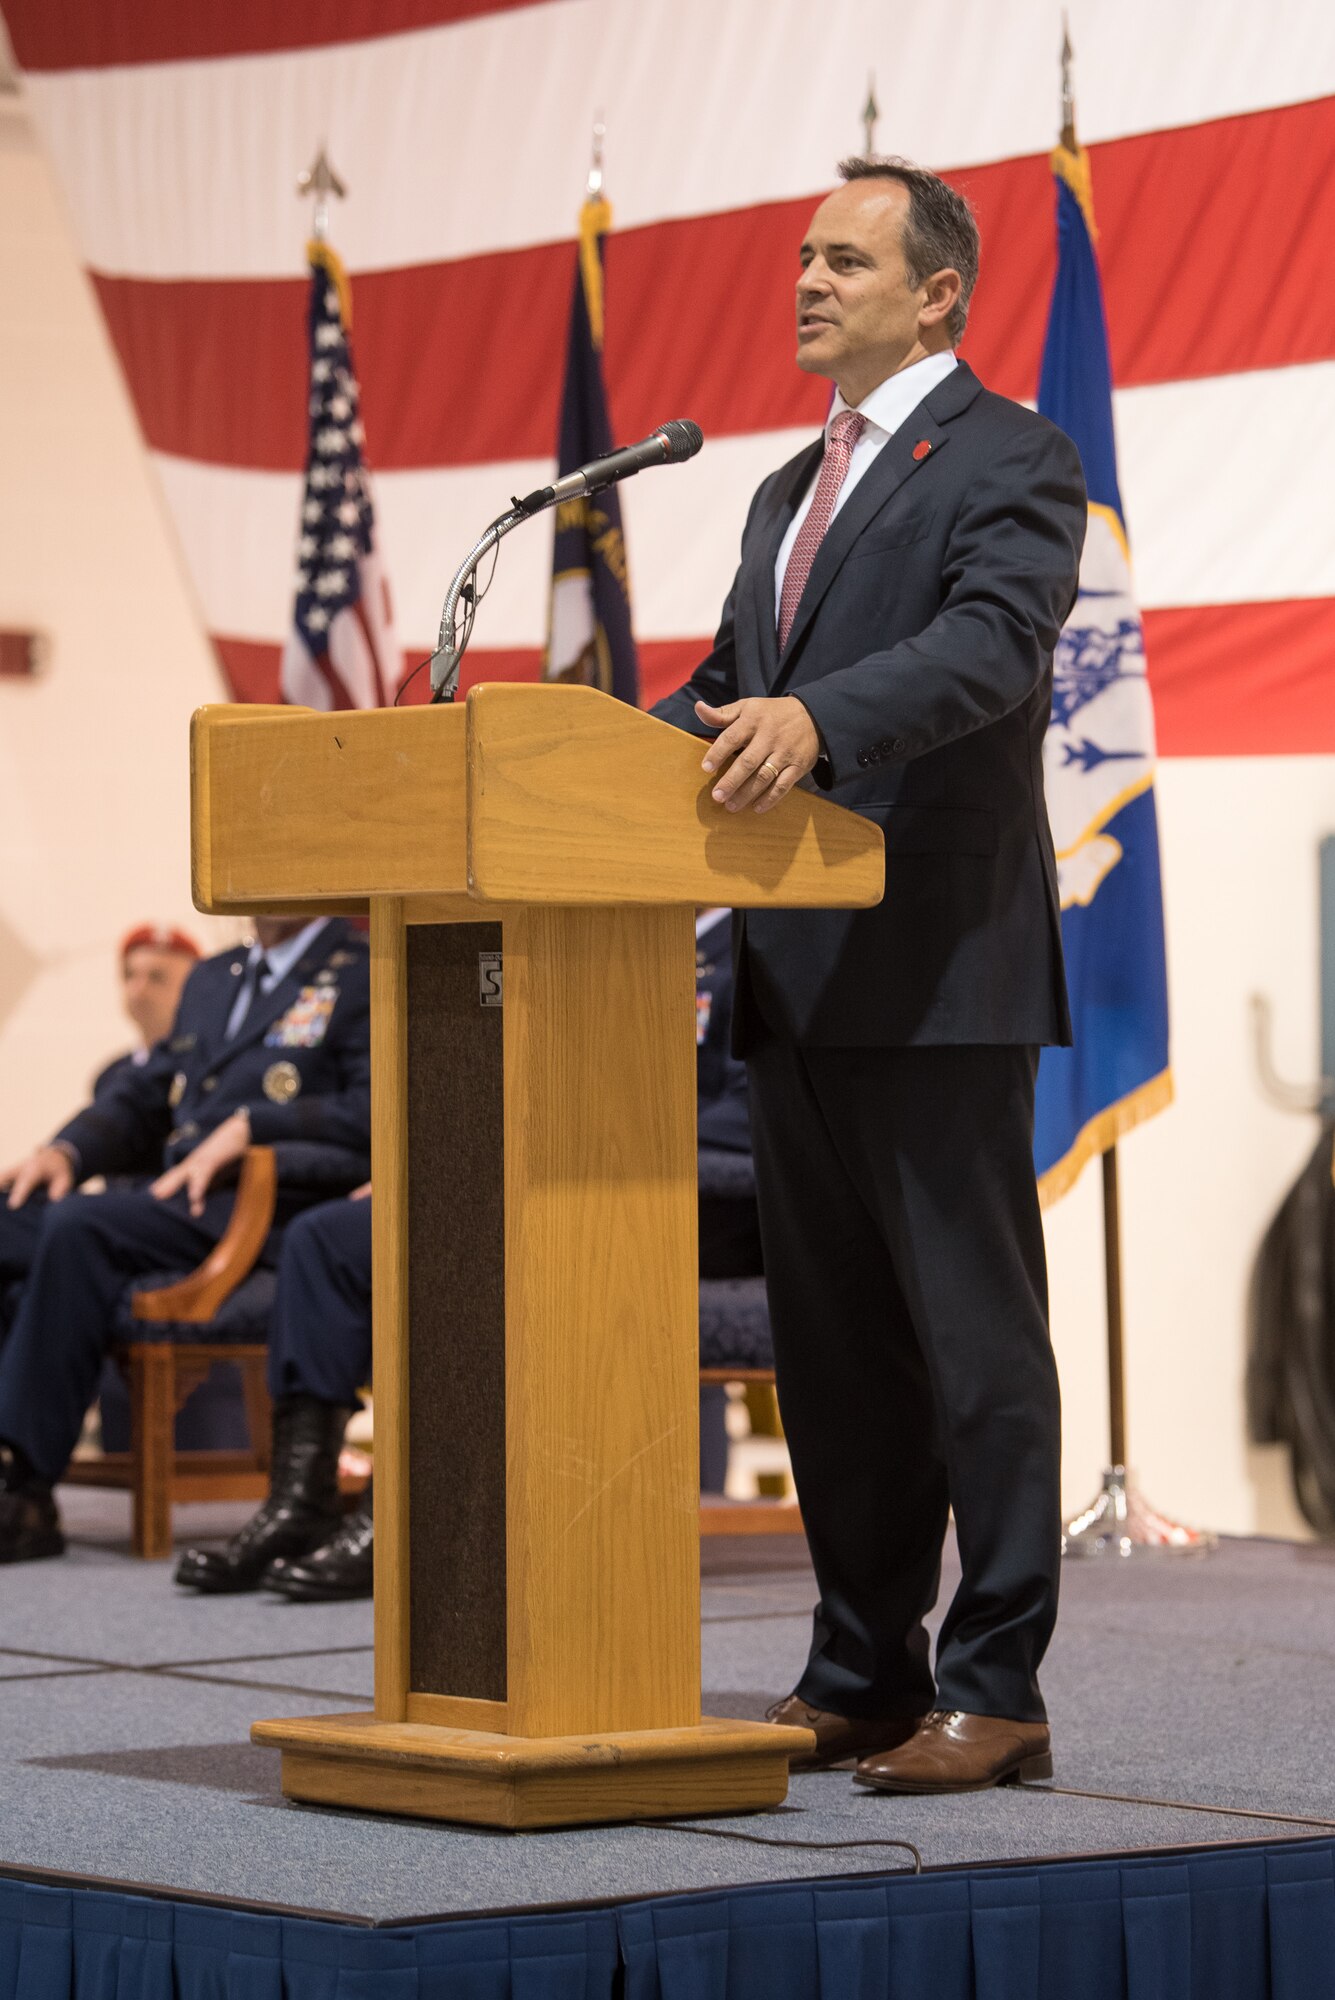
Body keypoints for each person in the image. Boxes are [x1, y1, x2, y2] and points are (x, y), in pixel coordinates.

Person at [651, 156, 1086, 1795]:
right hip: (791, 982)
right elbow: (722, 698)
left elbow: (993, 644)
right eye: (803, 259)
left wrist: (822, 720)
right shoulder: (777, 496)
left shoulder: (1014, 457)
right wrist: (552, 761)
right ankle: (861, 1667)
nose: (808, 282)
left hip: (936, 972)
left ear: (938, 293)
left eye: (845, 259)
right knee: (836, 1362)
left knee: (975, 1347)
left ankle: (999, 1684)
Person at [177, 913, 766, 1598]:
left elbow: (750, 1109)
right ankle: (298, 1502)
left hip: (686, 1204)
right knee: (326, 1238)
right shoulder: (607, 929)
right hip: (558, 1179)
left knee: (461, 1229)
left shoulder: (752, 936)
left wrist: (565, 1151)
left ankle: (410, 1518)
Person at [0, 915, 371, 1563]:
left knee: (80, 1227)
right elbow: (145, 1094)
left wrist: (253, 1126)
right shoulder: (215, 976)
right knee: (13, 1215)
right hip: (181, 1199)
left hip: (264, 1204)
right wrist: (66, 1151)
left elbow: (375, 1109)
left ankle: (25, 1485)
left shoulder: (363, 968)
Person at [93, 924, 202, 1102]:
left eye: (156, 977)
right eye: (130, 975)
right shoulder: (110, 1076)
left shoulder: (205, 1067)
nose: (139, 990)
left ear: (195, 986)